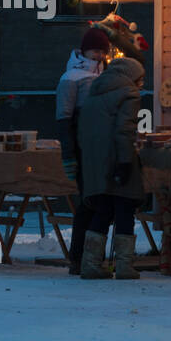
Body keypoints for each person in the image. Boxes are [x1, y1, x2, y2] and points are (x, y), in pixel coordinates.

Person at [77, 55, 145, 280]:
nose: (142, 84)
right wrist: (126, 161)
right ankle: (125, 265)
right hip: (118, 157)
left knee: (103, 209)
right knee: (125, 207)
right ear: (131, 77)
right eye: (141, 79)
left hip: (95, 161)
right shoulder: (129, 94)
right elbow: (125, 130)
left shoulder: (94, 93)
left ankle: (90, 263)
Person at [55, 28, 111, 274]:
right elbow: (63, 118)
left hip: (100, 146)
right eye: (96, 50)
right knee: (90, 201)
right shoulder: (71, 77)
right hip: (81, 146)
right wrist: (68, 153)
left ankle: (86, 257)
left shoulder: (105, 74)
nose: (99, 55)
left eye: (102, 51)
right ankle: (79, 257)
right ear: (85, 50)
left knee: (97, 200)